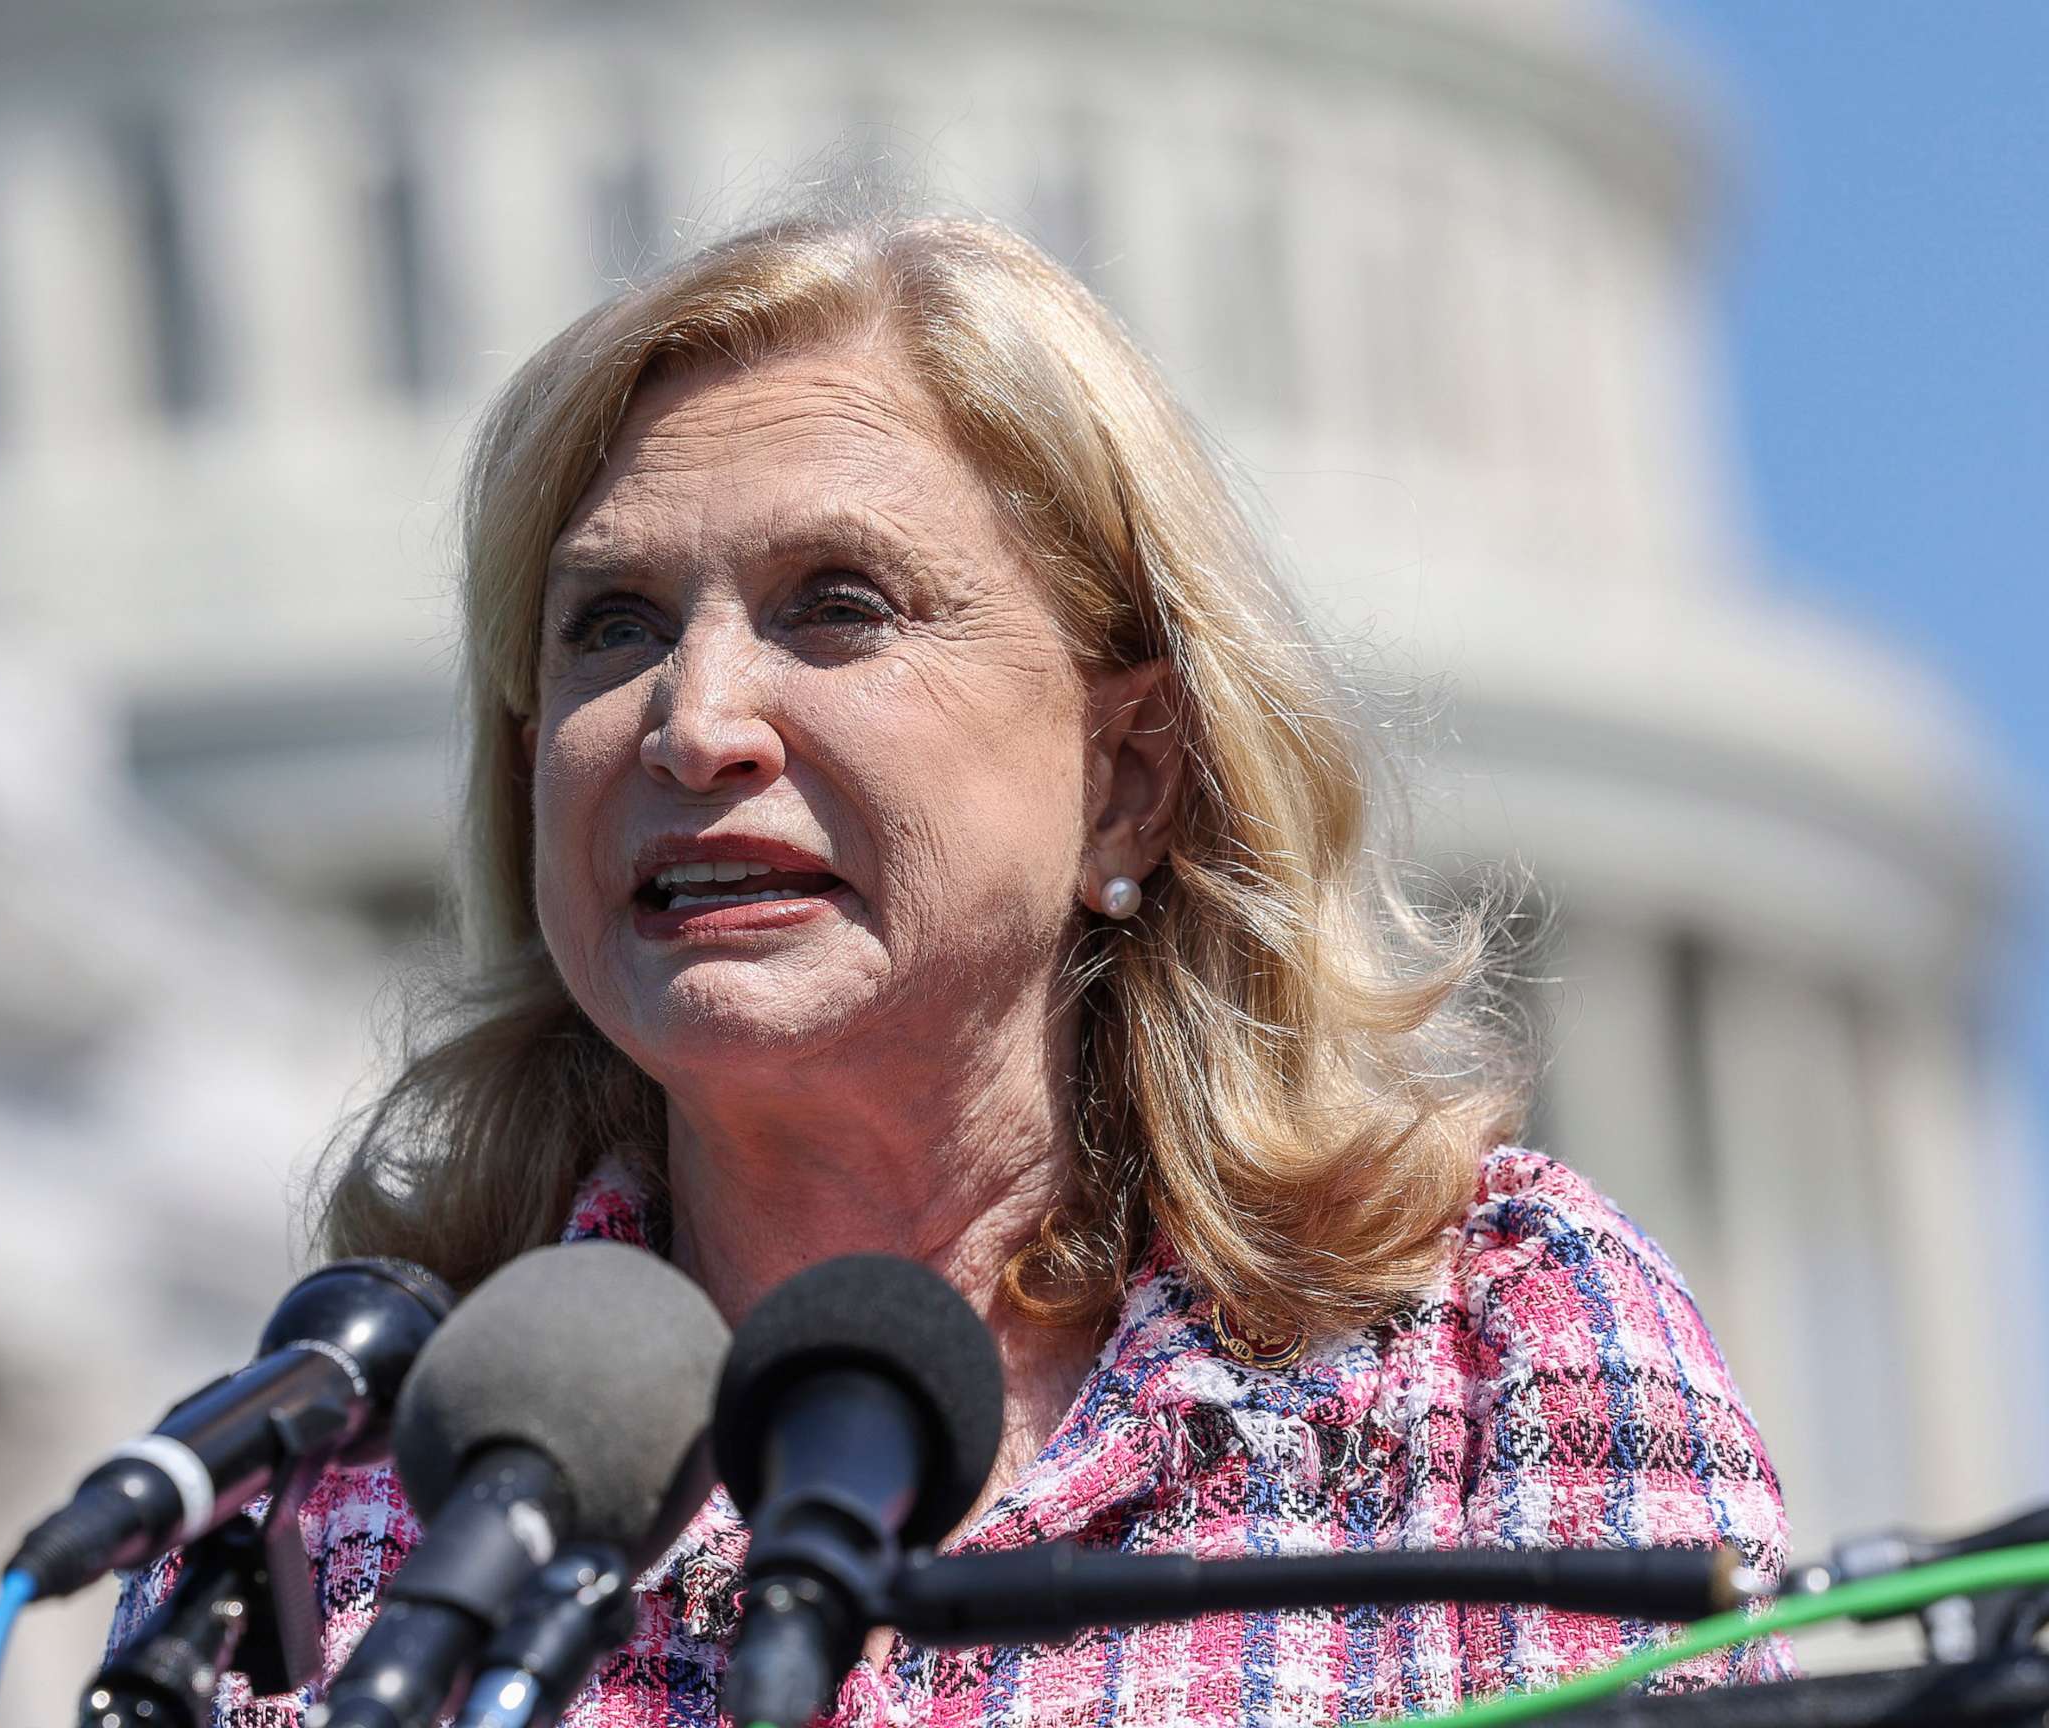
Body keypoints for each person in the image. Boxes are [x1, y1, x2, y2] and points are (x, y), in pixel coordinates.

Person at [114, 207, 1790, 1726]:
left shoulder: (1490, 1350)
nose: (694, 724)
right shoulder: (331, 1486)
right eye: (610, 625)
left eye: (836, 604)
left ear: (1126, 774)